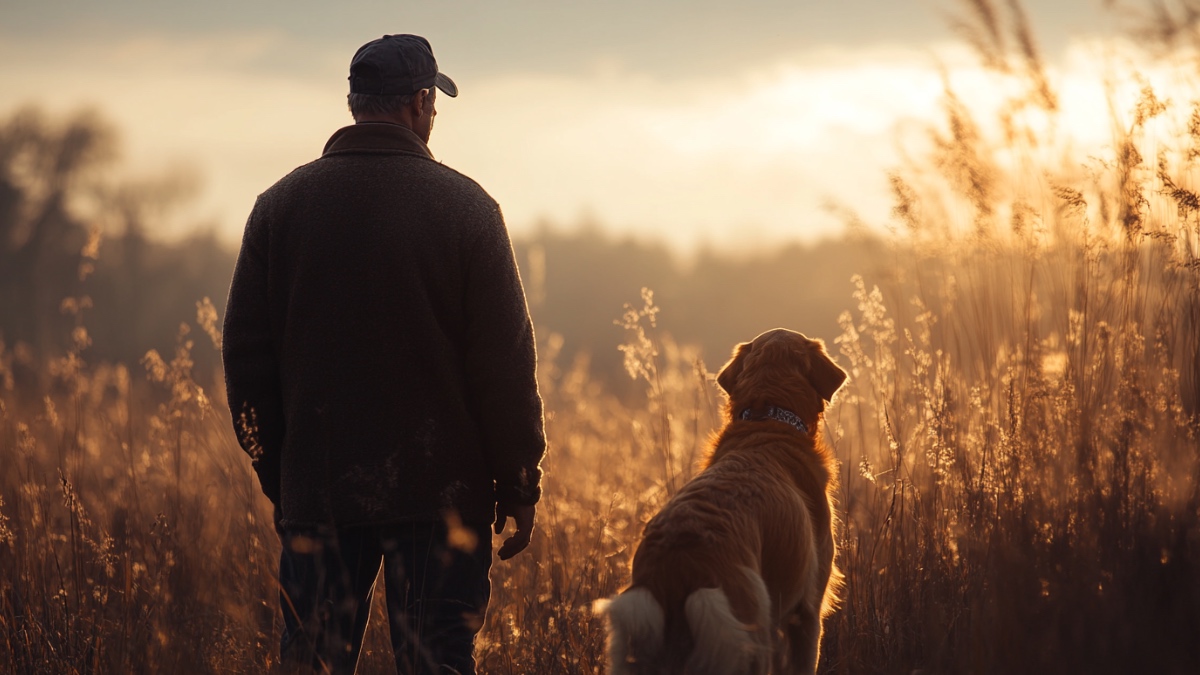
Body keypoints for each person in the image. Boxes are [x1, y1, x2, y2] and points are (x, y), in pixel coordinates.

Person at [222, 33, 546, 675]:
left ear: (354, 103)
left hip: (318, 489)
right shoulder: (469, 209)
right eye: (435, 102)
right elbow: (504, 365)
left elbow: (246, 361)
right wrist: (518, 480)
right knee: (437, 663)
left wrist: (282, 474)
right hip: (442, 497)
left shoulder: (278, 209)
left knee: (311, 660)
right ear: (422, 102)